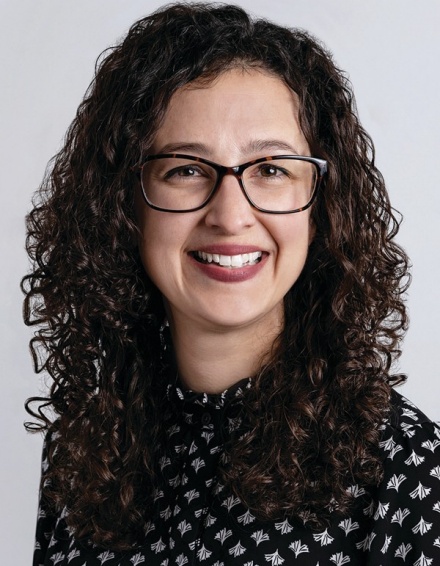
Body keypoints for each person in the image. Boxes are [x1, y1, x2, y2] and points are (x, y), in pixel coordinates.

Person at [23, 3, 440, 565]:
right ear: (122, 206)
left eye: (271, 169)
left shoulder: (408, 469)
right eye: (185, 169)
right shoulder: (87, 452)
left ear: (321, 209)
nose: (230, 215)